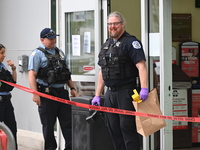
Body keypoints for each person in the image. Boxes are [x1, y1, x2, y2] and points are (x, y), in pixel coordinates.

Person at [91, 12, 148, 150]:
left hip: (126, 93)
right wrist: (97, 94)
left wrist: (144, 88)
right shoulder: (106, 45)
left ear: (122, 24)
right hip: (110, 94)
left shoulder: (131, 42)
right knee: (114, 130)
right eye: (110, 24)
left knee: (127, 129)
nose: (112, 27)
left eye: (115, 23)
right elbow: (102, 71)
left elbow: (141, 66)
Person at [28, 28, 77, 150]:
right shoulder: (37, 54)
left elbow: (66, 73)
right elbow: (32, 75)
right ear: (42, 40)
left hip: (62, 93)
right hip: (46, 95)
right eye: (50, 39)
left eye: (54, 38)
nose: (53, 41)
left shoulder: (59, 52)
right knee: (49, 127)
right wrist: (35, 94)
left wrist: (72, 87)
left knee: (68, 125)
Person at [0, 44, 18, 149]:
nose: (4, 55)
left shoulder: (3, 66)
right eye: (2, 53)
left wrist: (14, 69)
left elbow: (13, 83)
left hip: (7, 101)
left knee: (11, 128)